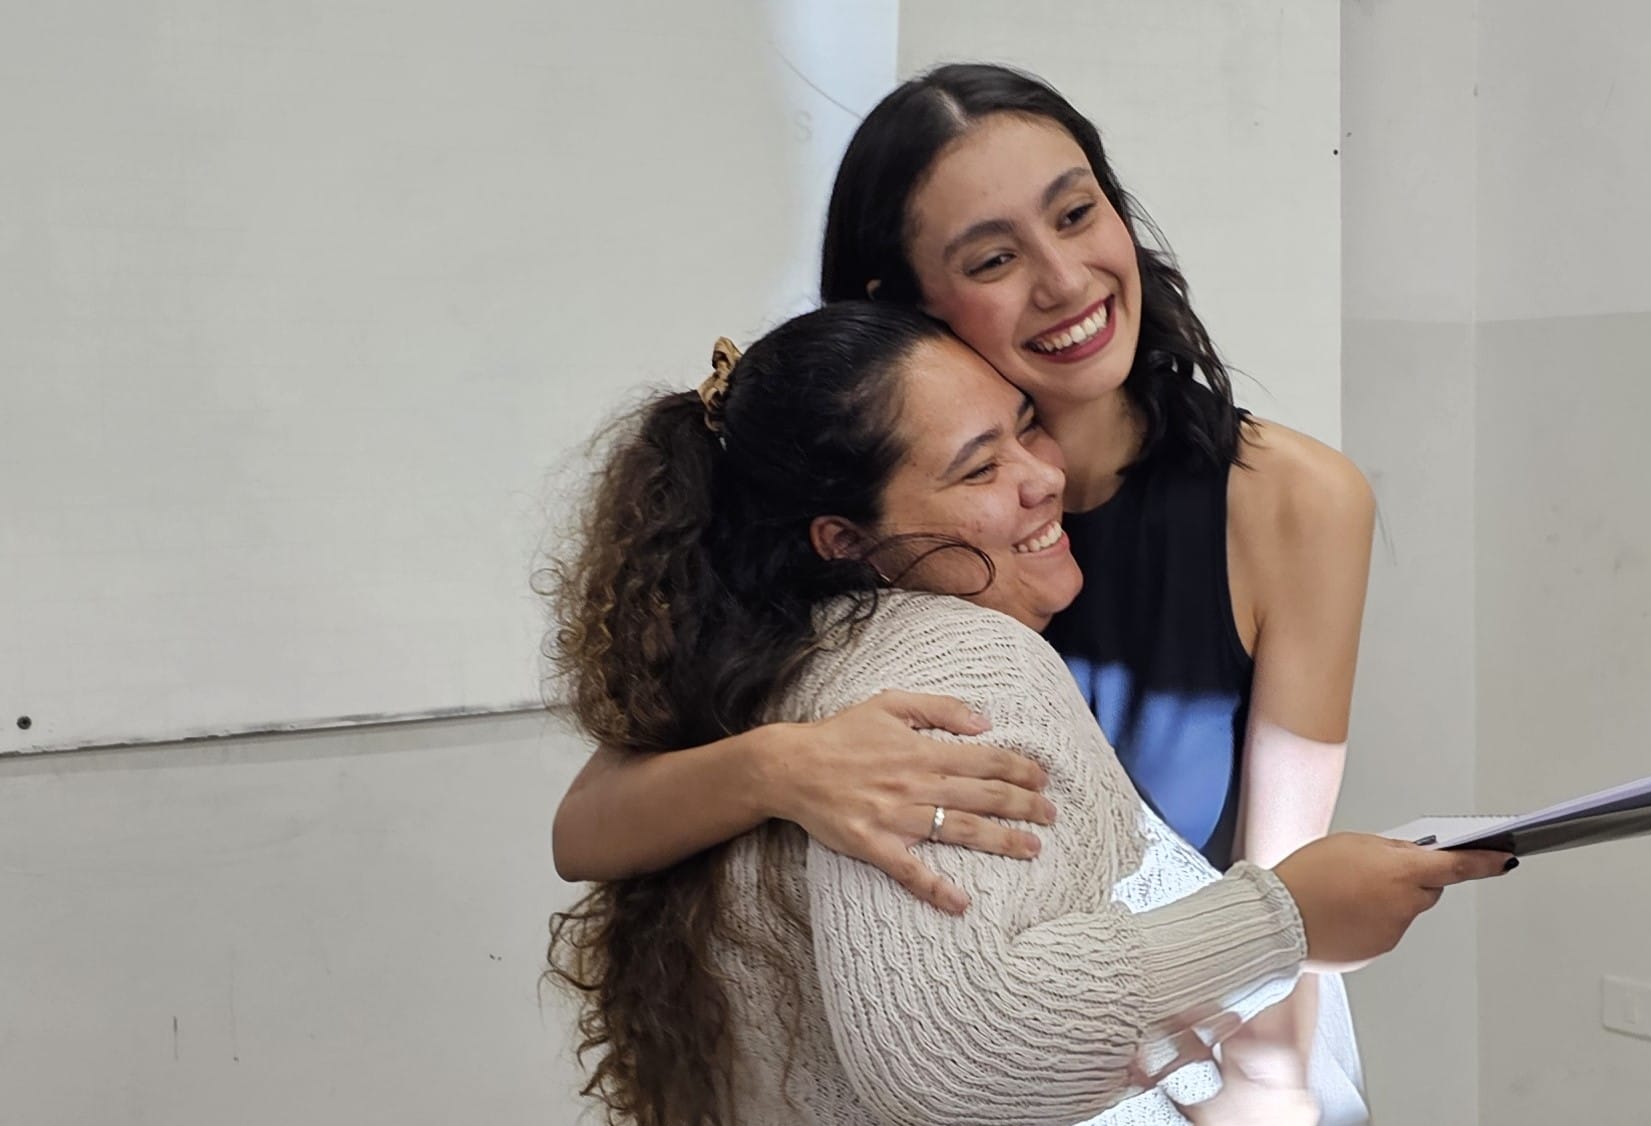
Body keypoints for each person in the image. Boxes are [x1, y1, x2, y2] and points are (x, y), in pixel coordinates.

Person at [554, 64, 1384, 1117]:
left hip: (1200, 1063)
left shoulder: (1293, 501)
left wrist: (1265, 1092)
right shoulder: (867, 527)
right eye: (994, 258)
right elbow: (588, 827)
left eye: (1076, 213)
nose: (1065, 280)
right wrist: (784, 767)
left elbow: (1283, 880)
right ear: (900, 307)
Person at [541, 303, 1512, 1125]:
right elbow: (958, 1050)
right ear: (845, 540)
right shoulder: (958, 660)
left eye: (1025, 425)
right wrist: (1286, 919)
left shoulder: (767, 662)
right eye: (977, 468)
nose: (1044, 477)